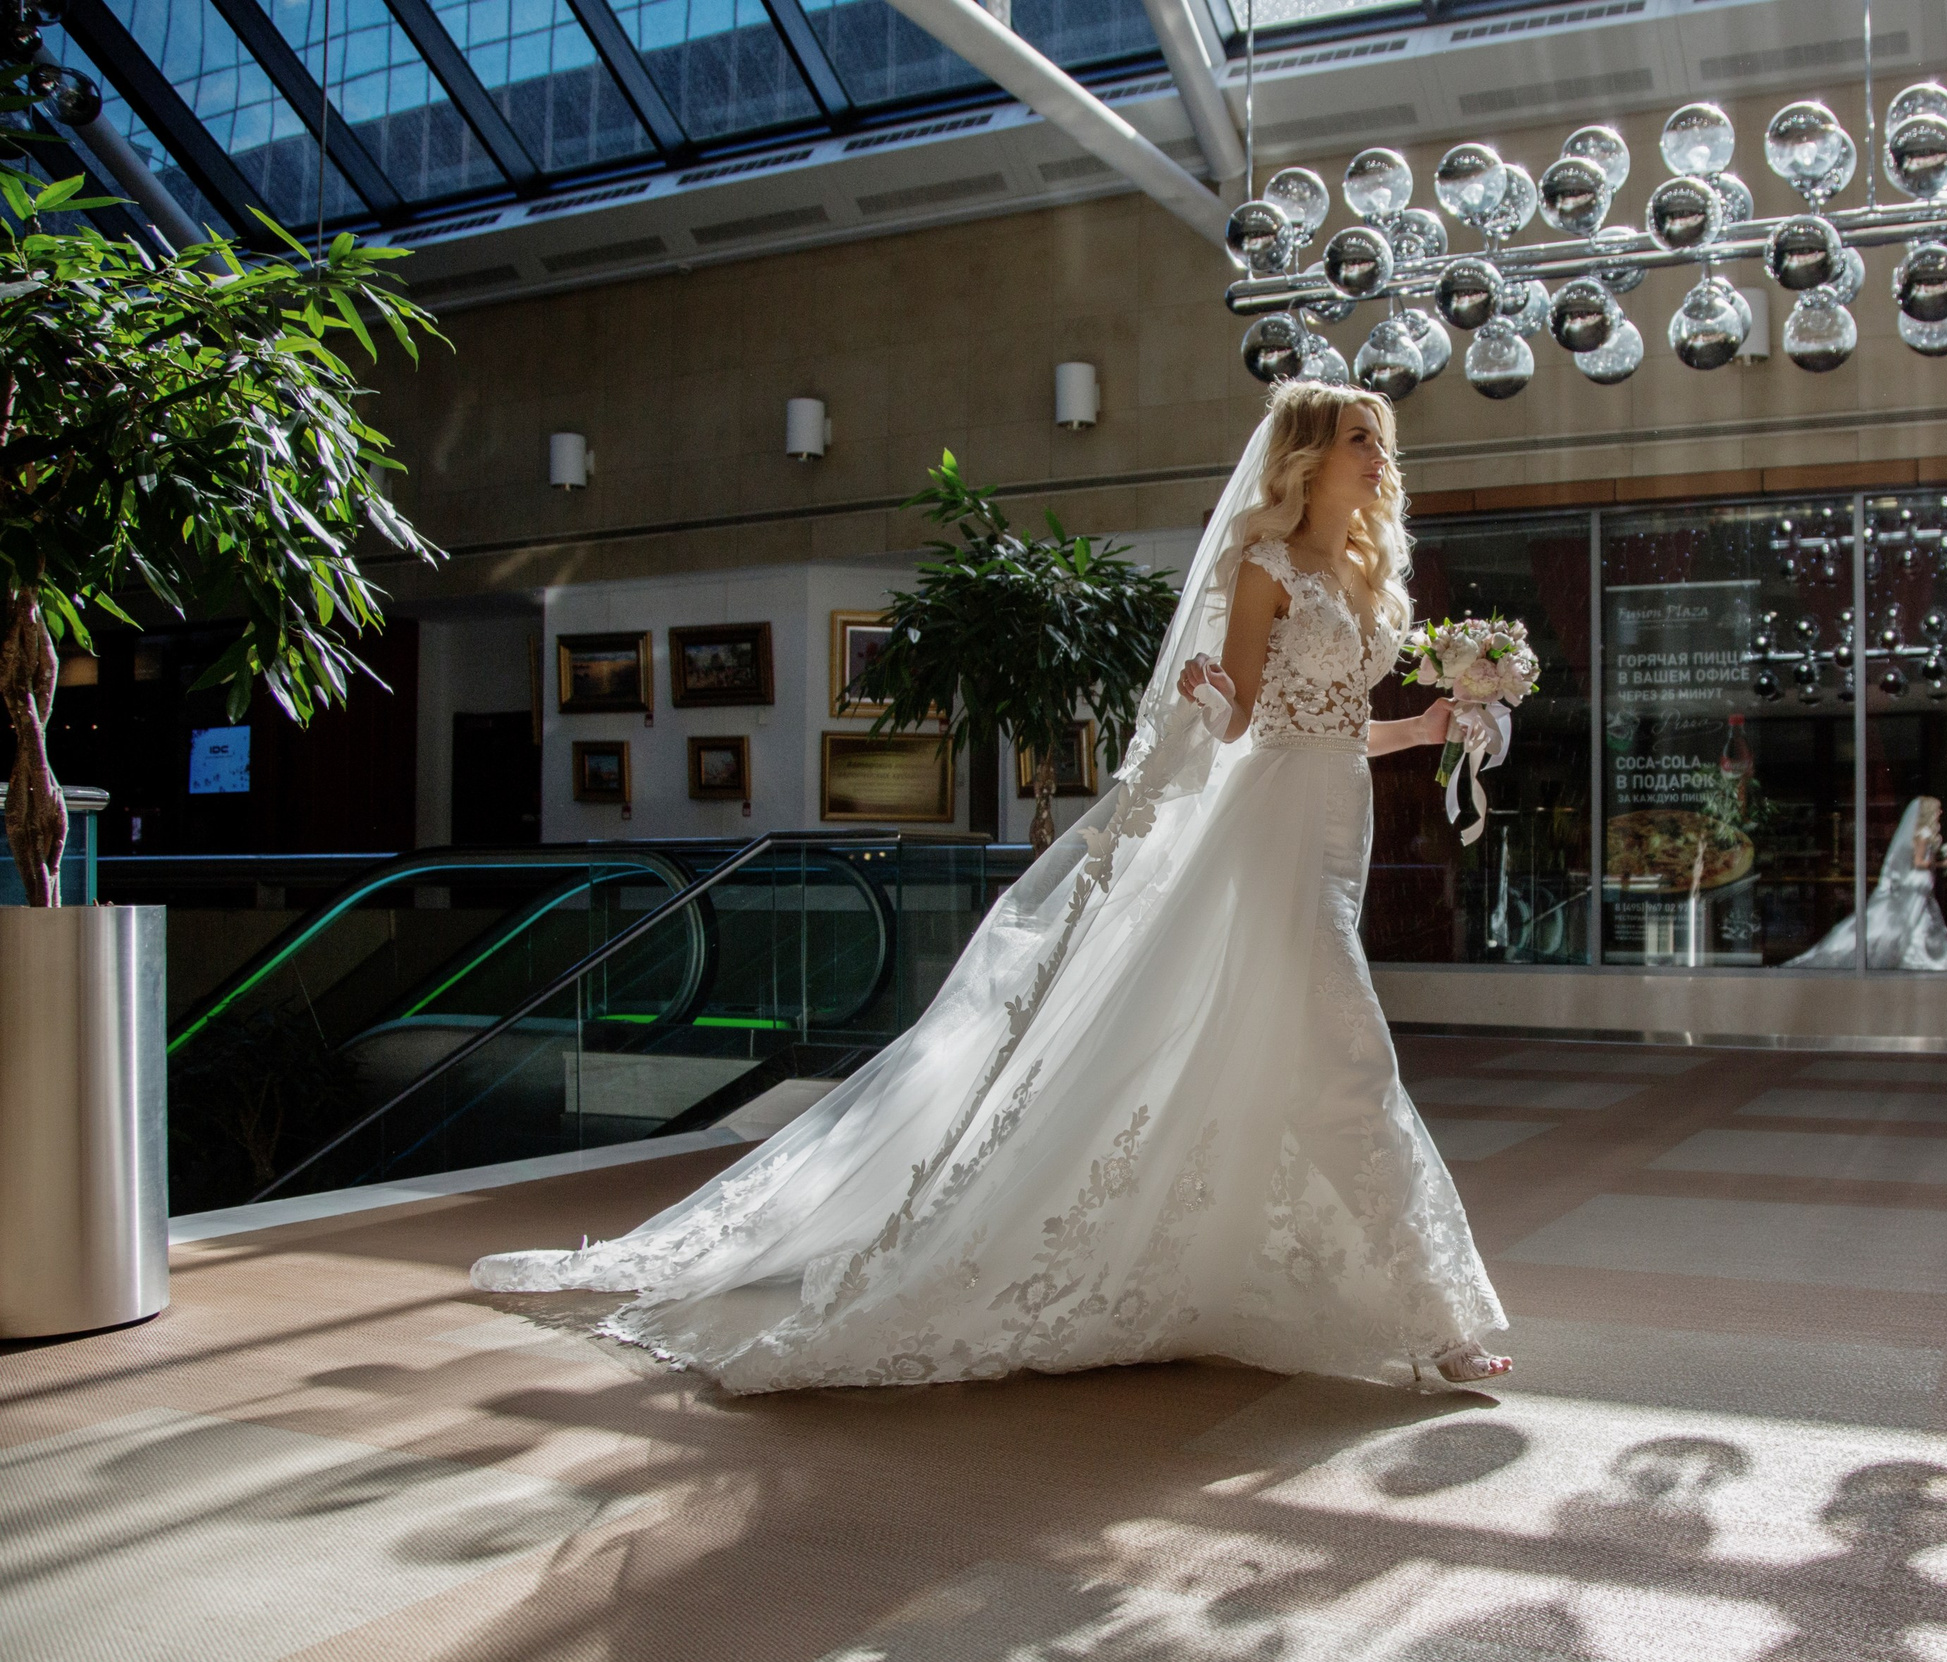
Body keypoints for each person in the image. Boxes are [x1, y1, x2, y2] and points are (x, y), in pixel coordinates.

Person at [474, 381, 1513, 1391]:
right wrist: (1205, 690)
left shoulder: (1370, 573)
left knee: (1284, 1043)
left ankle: (1259, 1266)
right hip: (1273, 827)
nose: (1380, 460)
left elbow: (1334, 725)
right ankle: (1440, 1318)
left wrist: (1422, 728)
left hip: (1339, 821)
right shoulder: (1265, 564)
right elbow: (1247, 723)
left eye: (1379, 443)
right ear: (1305, 458)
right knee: (1348, 1051)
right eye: (1358, 442)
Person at [1787, 796, 1947, 970]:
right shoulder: (1923, 834)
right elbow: (1919, 862)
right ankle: (1918, 959)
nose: (1940, 812)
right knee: (1914, 921)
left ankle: (1920, 958)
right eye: (1937, 809)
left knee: (1921, 922)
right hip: (1916, 884)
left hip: (1921, 885)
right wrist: (1944, 863)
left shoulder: (1925, 834)